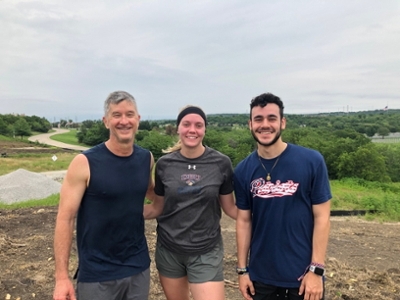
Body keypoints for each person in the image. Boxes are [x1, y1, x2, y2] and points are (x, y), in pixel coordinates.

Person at [53, 91, 155, 300]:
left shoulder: (146, 159)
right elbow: (65, 218)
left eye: (129, 114)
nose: (124, 121)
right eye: (116, 115)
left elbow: (156, 197)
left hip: (138, 269)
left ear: (138, 119)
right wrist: (61, 277)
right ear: (106, 121)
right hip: (97, 274)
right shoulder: (84, 163)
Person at [234, 93, 331, 300]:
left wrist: (316, 270)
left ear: (283, 123)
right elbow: (243, 220)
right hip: (261, 278)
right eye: (258, 119)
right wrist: (242, 271)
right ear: (250, 124)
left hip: (304, 277)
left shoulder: (311, 161)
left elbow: (322, 218)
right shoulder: (243, 170)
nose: (265, 125)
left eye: (272, 118)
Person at [144, 105, 237, 300]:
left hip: (206, 250)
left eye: (198, 125)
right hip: (169, 250)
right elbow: (157, 207)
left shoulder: (221, 163)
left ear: (205, 129)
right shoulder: (164, 164)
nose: (192, 130)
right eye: (186, 124)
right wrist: (117, 209)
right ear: (178, 128)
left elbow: (230, 208)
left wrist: (265, 212)